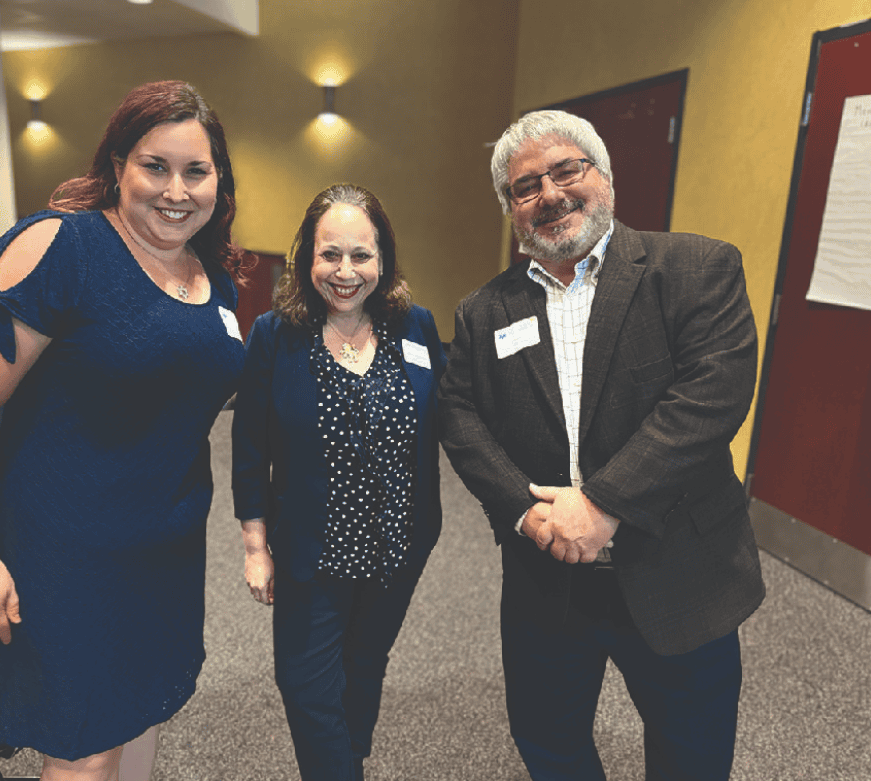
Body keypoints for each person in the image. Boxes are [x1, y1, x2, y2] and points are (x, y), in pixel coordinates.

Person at [0, 80, 246, 781]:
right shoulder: (62, 246)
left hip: (163, 550)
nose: (175, 189)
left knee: (139, 710)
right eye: (154, 166)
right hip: (65, 551)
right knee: (84, 744)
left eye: (195, 170)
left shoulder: (208, 272)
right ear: (116, 165)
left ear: (217, 181)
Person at [437, 110, 764, 781]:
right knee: (549, 745)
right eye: (525, 186)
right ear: (510, 208)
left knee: (691, 757)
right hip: (545, 576)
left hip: (678, 568)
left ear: (603, 176)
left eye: (566, 170)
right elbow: (460, 416)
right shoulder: (482, 311)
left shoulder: (695, 268)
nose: (549, 194)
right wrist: (526, 512)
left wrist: (603, 505)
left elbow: (711, 396)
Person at [232, 184, 445, 781]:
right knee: (304, 680)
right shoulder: (276, 334)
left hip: (398, 544)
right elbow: (249, 446)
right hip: (313, 548)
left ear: (384, 260)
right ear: (307, 260)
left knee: (365, 663)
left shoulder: (416, 327)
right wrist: (255, 546)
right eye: (330, 255)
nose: (345, 272)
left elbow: (456, 419)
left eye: (361, 255)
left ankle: (349, 758)